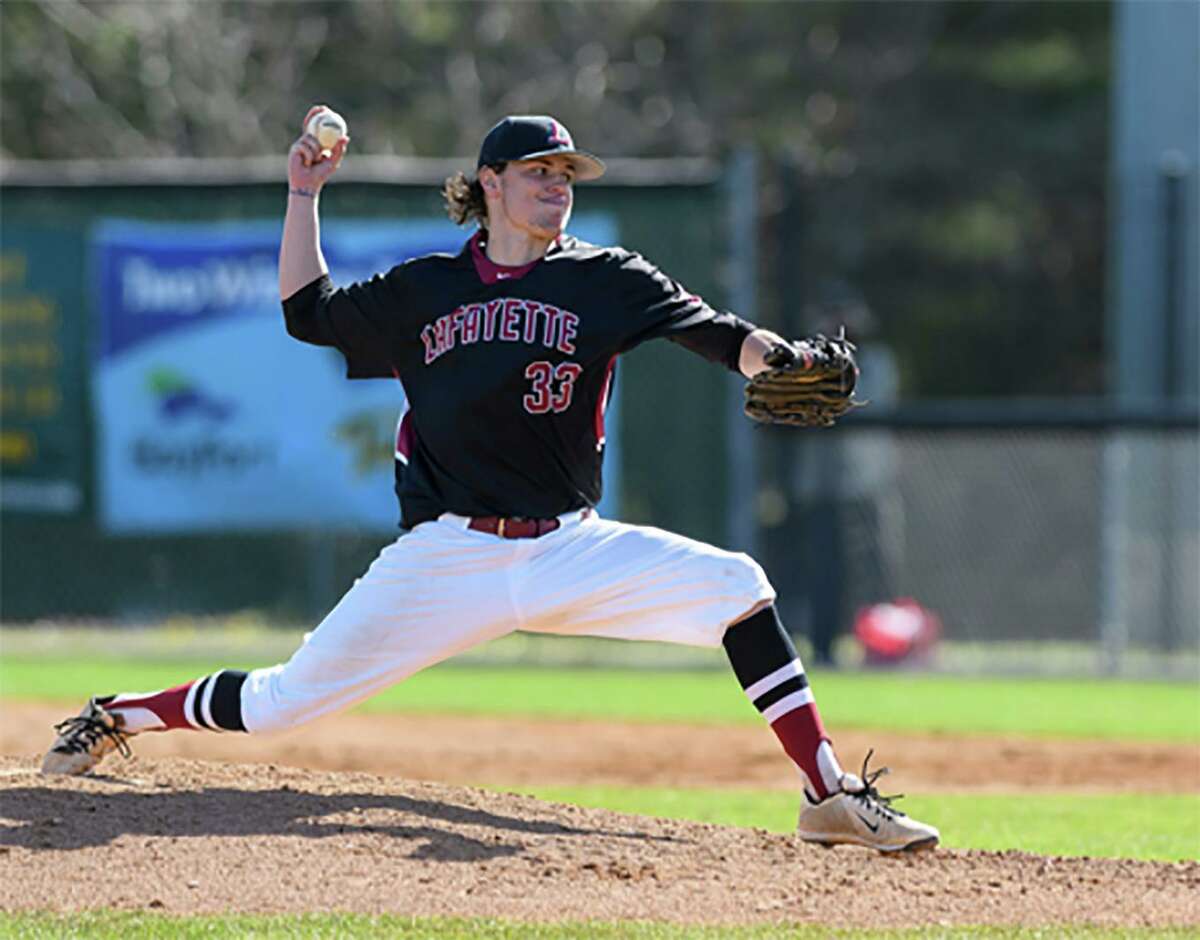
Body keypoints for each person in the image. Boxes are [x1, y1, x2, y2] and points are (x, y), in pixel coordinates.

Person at [42, 109, 938, 853]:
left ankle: (827, 792)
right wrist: (303, 194)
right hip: (446, 556)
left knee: (739, 589)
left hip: (569, 545)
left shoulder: (607, 279)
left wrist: (778, 359)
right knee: (282, 704)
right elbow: (307, 315)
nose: (559, 185)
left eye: (567, 173)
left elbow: (712, 331)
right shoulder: (426, 289)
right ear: (490, 185)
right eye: (539, 170)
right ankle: (119, 712)